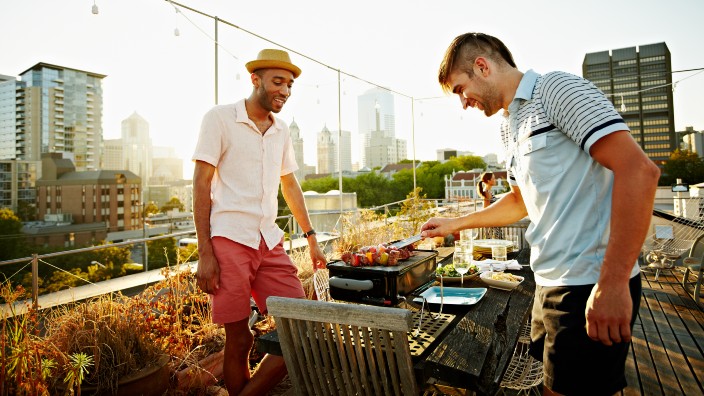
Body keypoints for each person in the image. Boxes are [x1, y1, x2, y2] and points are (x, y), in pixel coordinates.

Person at [421, 33, 660, 395]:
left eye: (459, 88)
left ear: (482, 66)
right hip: (547, 280)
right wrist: (456, 224)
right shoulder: (509, 124)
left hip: (589, 282)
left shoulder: (556, 89)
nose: (463, 102)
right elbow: (520, 201)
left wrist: (612, 284)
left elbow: (639, 171)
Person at [192, 48, 327, 396]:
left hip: (270, 241)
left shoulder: (281, 130)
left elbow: (290, 184)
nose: (284, 90)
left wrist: (311, 237)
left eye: (290, 85)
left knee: (301, 326)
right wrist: (204, 253)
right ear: (255, 80)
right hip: (229, 241)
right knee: (239, 337)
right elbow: (201, 183)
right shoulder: (219, 118)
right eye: (277, 82)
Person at [476, 171, 503, 239]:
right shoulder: (487, 193)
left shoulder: (489, 191)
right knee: (495, 241)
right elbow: (486, 208)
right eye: (493, 179)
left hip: (494, 221)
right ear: (488, 181)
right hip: (492, 223)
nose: (495, 180)